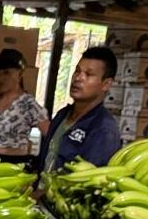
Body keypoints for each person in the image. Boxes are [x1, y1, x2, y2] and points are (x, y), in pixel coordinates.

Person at [31, 46, 121, 174]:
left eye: (88, 74)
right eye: (77, 71)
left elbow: (89, 179)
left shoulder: (104, 129)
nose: (78, 78)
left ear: (106, 84)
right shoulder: (62, 115)